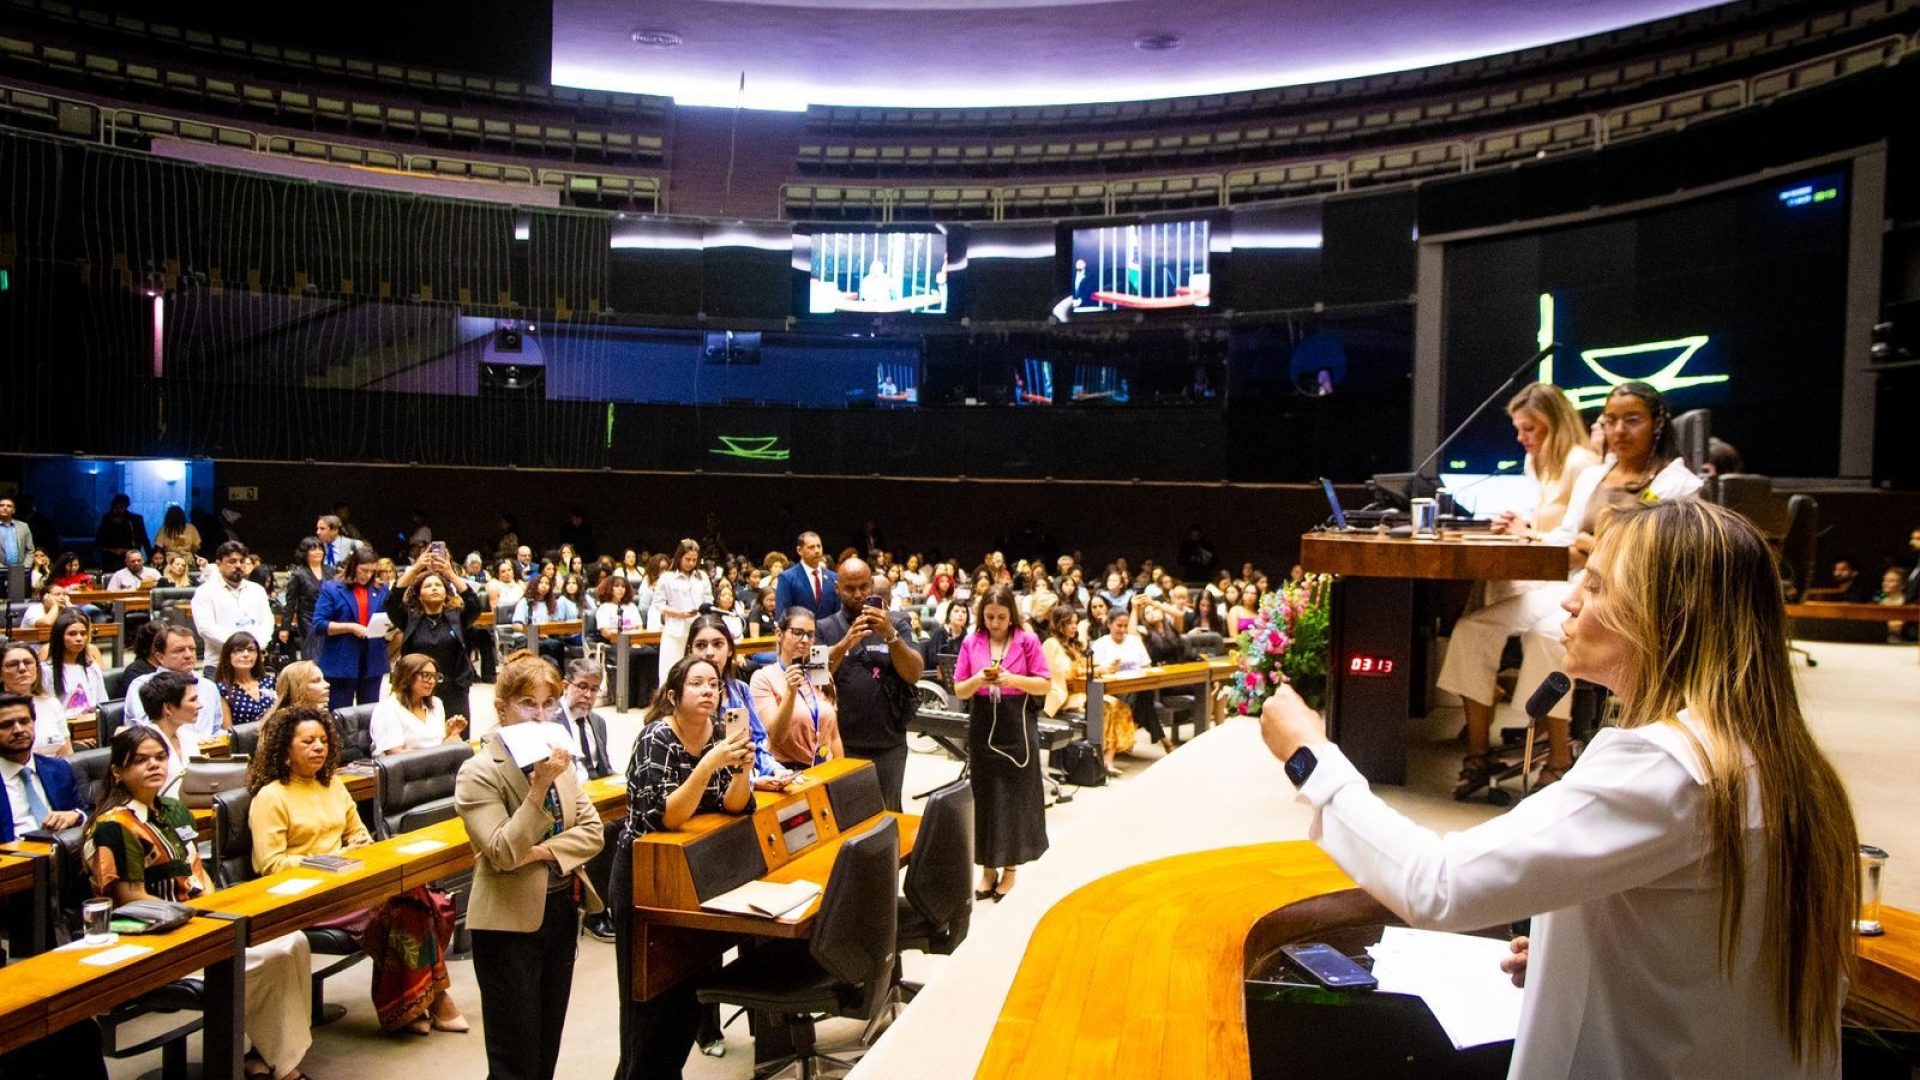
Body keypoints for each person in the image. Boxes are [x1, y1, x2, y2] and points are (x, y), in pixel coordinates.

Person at [1258, 498, 1858, 1078]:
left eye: (1596, 586)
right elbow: (1705, 952)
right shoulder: (1774, 756)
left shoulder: (1664, 766)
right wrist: (1566, 951)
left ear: (1667, 616)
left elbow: (1439, 885)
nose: (1569, 600)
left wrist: (1311, 758)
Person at [83, 725, 315, 1080]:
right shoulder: (114, 826)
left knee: (294, 940)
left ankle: (263, 1054)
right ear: (118, 771)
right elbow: (130, 899)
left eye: (160, 758)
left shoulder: (174, 810)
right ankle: (284, 1067)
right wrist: (198, 917)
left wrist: (216, 909)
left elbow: (198, 871)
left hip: (202, 920)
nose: (154, 766)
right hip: (157, 934)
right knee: (271, 956)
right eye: (141, 760)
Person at [248, 705, 468, 1034]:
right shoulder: (271, 797)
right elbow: (271, 864)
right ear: (284, 752)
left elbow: (357, 830)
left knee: (413, 896)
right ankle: (433, 999)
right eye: (307, 742)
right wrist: (333, 858)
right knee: (410, 905)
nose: (318, 747)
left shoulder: (332, 784)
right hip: (308, 896)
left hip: (352, 882)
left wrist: (360, 845)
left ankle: (419, 1005)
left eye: (323, 740)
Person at [1435, 382, 1603, 797]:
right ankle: (1478, 753)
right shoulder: (1538, 464)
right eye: (1519, 429)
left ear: (1554, 423)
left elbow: (1581, 544)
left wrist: (1527, 532)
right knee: (1473, 628)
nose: (1522, 438)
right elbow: (1540, 523)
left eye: (1530, 429)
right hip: (1543, 579)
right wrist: (1518, 522)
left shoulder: (1583, 464)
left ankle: (1554, 754)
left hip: (1572, 584)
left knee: (1541, 634)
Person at [454, 651, 604, 1080]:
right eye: (527, 704)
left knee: (545, 1048)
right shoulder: (478, 771)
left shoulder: (558, 756)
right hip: (507, 924)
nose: (540, 715)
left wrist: (540, 852)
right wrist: (537, 790)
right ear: (501, 708)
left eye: (548, 704)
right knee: (513, 1057)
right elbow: (501, 852)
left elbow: (593, 832)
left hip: (559, 911)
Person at [610, 656, 753, 1080]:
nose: (709, 691)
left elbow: (735, 803)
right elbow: (666, 817)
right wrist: (709, 764)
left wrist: (742, 769)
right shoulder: (657, 738)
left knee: (687, 1000)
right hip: (646, 876)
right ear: (674, 696)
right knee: (646, 1006)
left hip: (696, 872)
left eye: (714, 684)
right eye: (697, 684)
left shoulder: (722, 734)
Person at [953, 585, 1051, 901]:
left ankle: (1010, 870)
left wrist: (1013, 679)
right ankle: (987, 869)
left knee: (1013, 800)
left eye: (1001, 617)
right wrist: (978, 679)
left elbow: (1044, 684)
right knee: (985, 798)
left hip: (1017, 724)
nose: (995, 623)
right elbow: (959, 690)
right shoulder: (972, 641)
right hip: (983, 724)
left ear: (1012, 616)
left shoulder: (1028, 641)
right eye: (990, 616)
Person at [816, 557, 923, 812]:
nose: (858, 594)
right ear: (837, 588)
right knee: (846, 815)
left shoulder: (896, 624)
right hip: (842, 743)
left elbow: (914, 673)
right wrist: (845, 644)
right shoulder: (824, 628)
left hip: (889, 743)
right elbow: (816, 677)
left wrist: (890, 635)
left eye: (864, 587)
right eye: (850, 588)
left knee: (889, 814)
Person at [553, 658, 619, 942]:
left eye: (594, 690)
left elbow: (605, 767)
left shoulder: (598, 722)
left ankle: (619, 902)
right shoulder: (551, 722)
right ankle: (596, 912)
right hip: (566, 800)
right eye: (582, 687)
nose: (588, 696)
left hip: (599, 794)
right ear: (565, 686)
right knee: (607, 830)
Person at [386, 550, 483, 724]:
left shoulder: (457, 617)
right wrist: (416, 568)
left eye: (438, 585)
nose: (434, 589)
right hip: (418, 690)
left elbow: (474, 605)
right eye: (428, 586)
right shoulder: (409, 619)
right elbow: (392, 601)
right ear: (419, 595)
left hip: (454, 688)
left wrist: (450, 574)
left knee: (457, 738)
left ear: (446, 593)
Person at [685, 614, 783, 785]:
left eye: (718, 644)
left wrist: (775, 769)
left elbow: (758, 742)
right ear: (689, 651)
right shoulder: (683, 696)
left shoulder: (740, 690)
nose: (709, 653)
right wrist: (752, 782)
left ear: (730, 649)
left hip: (745, 781)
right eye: (701, 645)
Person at [751, 607, 844, 771]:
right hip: (787, 772)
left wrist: (842, 773)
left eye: (810, 634)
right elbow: (775, 737)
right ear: (780, 634)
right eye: (797, 632)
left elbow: (833, 734)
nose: (805, 640)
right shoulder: (763, 678)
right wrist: (790, 692)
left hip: (824, 769)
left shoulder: (821, 674)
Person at [311, 542, 390, 709]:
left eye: (372, 571)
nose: (368, 575)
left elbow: (390, 614)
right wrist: (350, 627)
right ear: (353, 567)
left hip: (372, 658)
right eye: (364, 570)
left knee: (369, 713)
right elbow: (319, 624)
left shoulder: (381, 589)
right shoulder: (332, 588)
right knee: (340, 713)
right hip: (341, 659)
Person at [0, 691, 87, 842]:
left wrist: (76, 816)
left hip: (61, 857)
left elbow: (86, 813)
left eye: (24, 721)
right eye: (7, 725)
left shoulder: (59, 769)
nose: (18, 730)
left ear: (34, 723)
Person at [1091, 609, 1169, 754]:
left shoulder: (1135, 641)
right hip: (1113, 691)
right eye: (1119, 625)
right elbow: (1093, 671)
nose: (1123, 629)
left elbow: (1147, 666)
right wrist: (1107, 668)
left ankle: (1128, 742)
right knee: (1143, 703)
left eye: (1125, 626)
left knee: (1143, 696)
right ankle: (1163, 739)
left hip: (1137, 687)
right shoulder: (1100, 644)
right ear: (1109, 624)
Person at [124, 625, 225, 736]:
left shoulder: (208, 686)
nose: (188, 655)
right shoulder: (143, 686)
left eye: (192, 649)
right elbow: (149, 728)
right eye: (179, 650)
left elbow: (216, 729)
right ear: (160, 657)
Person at [191, 541, 276, 666]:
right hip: (219, 664)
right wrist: (240, 648)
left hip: (253, 662)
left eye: (241, 561)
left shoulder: (257, 590)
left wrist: (256, 645)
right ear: (219, 564)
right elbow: (206, 628)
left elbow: (267, 622)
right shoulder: (205, 592)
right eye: (232, 561)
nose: (238, 565)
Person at [369, 655, 467, 756]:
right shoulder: (387, 709)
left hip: (437, 768)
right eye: (426, 675)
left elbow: (432, 742)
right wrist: (444, 748)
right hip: (404, 770)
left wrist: (449, 734)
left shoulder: (436, 703)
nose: (432, 681)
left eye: (435, 676)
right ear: (407, 676)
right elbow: (395, 756)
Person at [649, 539, 712, 681]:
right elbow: (658, 604)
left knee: (698, 668)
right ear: (679, 557)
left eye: (694, 560)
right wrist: (679, 613)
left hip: (698, 628)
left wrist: (702, 609)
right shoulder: (667, 578)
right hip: (675, 629)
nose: (691, 563)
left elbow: (709, 600)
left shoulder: (702, 577)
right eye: (687, 559)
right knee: (670, 669)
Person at [43, 610, 105, 746]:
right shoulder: (46, 671)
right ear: (59, 637)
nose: (79, 638)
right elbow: (46, 715)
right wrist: (71, 739)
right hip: (64, 737)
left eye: (83, 634)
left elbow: (103, 706)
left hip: (93, 731)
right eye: (72, 634)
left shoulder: (92, 668)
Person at [513, 573, 580, 670]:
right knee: (553, 645)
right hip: (525, 637)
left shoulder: (551, 604)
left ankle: (559, 676)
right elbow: (516, 625)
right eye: (541, 583)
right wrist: (534, 633)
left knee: (558, 645)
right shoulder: (525, 602)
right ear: (534, 584)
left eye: (547, 583)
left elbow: (554, 623)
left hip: (546, 637)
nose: (544, 586)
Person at [212, 632, 276, 729]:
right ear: (228, 656)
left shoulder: (269, 681)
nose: (246, 654)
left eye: (251, 650)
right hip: (245, 742)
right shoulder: (222, 689)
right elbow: (229, 731)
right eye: (238, 650)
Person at [773, 531, 840, 621]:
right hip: (800, 633)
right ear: (799, 550)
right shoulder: (787, 578)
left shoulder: (833, 577)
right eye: (811, 547)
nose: (817, 551)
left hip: (829, 633)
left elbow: (838, 613)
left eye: (819, 546)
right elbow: (782, 614)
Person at [93, 494, 149, 566]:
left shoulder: (134, 520)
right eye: (116, 507)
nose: (118, 510)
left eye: (121, 507)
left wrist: (150, 556)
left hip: (130, 556)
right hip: (109, 558)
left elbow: (143, 538)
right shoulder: (107, 520)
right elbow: (99, 541)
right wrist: (112, 550)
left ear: (126, 507)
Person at [0, 496, 33, 570]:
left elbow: (30, 550)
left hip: (20, 571)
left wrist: (24, 568)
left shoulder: (23, 526)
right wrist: (3, 570)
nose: (5, 508)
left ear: (13, 510)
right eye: (1, 505)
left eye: (9, 506)